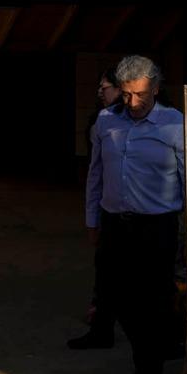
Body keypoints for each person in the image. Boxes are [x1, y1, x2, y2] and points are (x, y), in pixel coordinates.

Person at [85, 55, 185, 374]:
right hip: (115, 224)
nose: (132, 103)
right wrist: (92, 219)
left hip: (156, 227)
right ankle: (149, 361)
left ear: (155, 89)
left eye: (140, 95)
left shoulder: (175, 125)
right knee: (117, 300)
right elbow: (95, 172)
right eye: (126, 95)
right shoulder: (106, 122)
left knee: (152, 304)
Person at [69, 67, 122, 350]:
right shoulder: (100, 120)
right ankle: (102, 325)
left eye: (107, 87)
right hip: (110, 208)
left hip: (147, 212)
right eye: (99, 87)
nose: (101, 92)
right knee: (106, 269)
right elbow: (95, 172)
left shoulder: (162, 118)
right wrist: (93, 218)